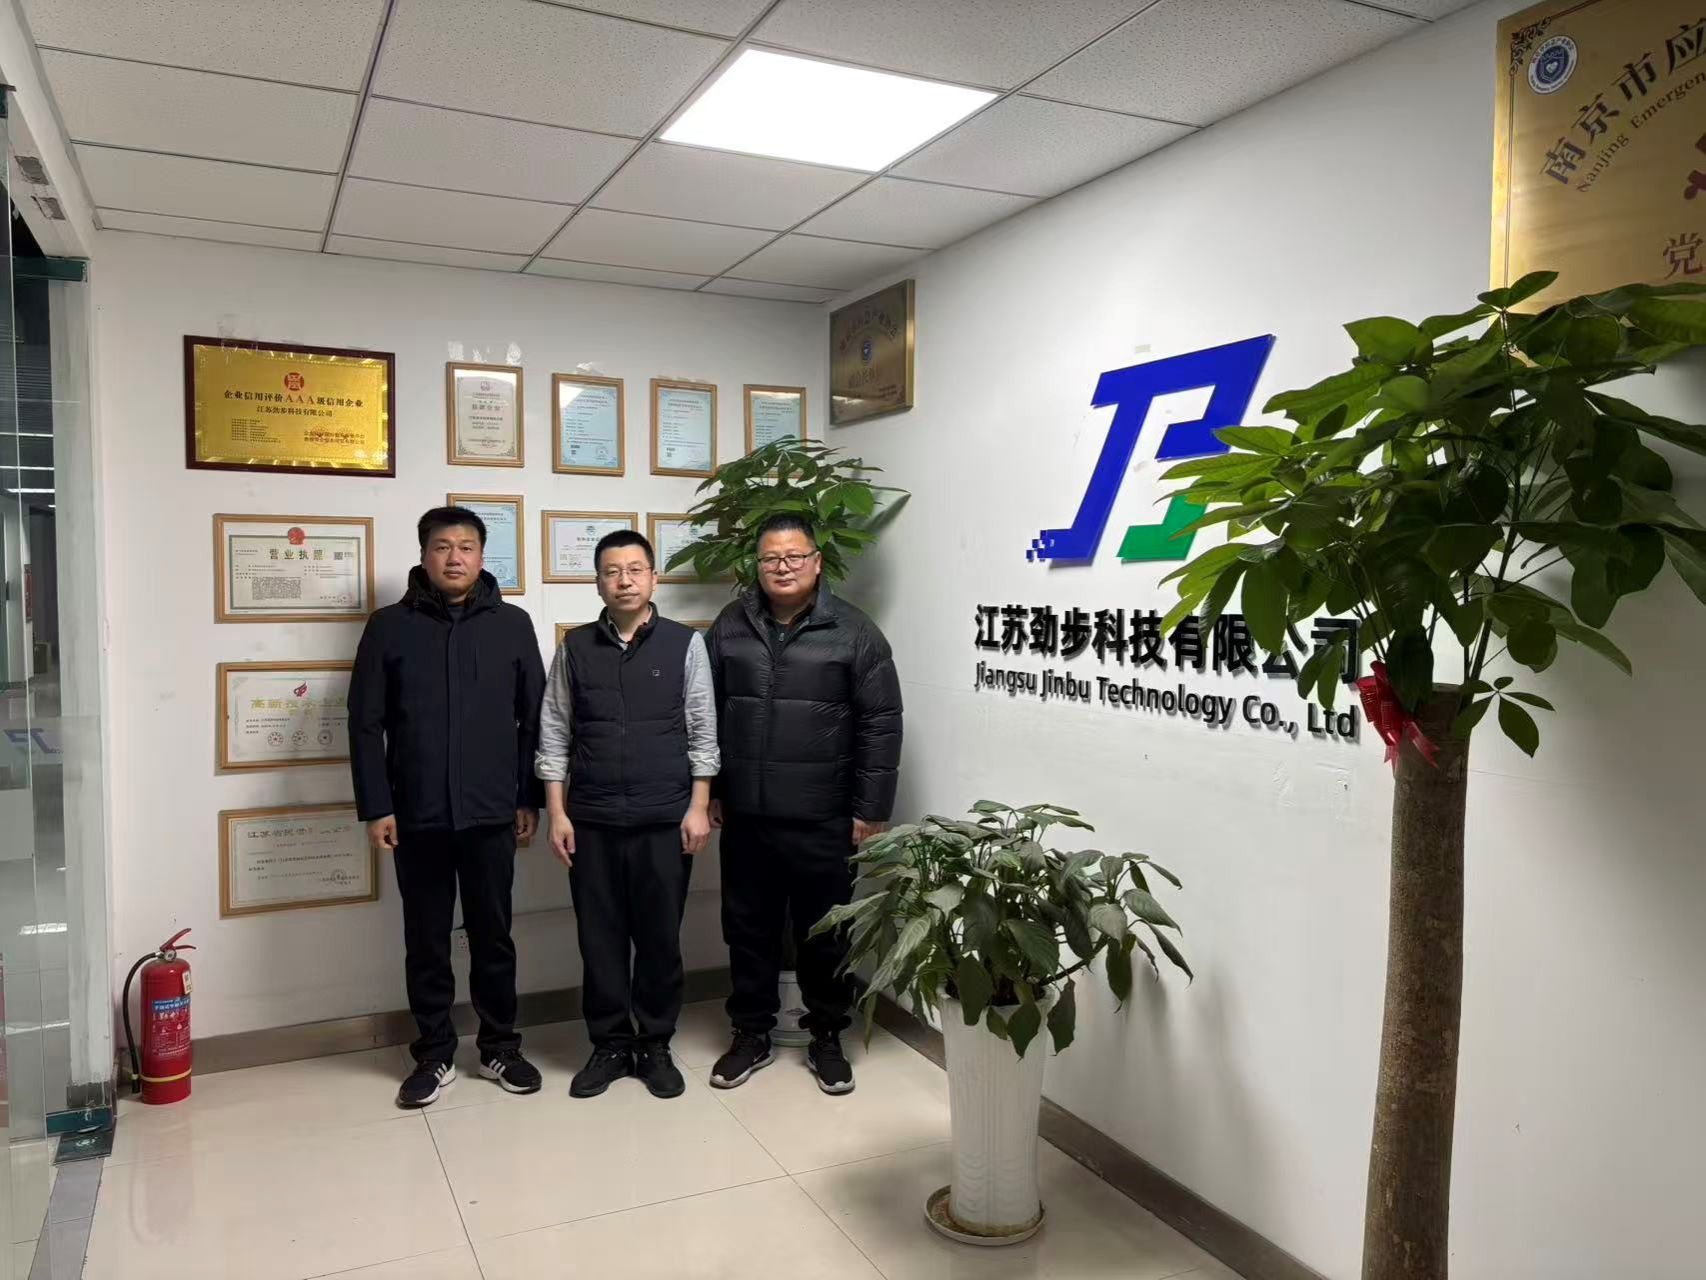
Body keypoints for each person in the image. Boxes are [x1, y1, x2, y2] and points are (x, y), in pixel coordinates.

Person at [348, 506, 546, 1109]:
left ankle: (500, 1046)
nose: (454, 557)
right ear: (424, 555)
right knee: (427, 938)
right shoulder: (389, 626)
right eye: (442, 546)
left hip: (492, 812)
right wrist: (377, 806)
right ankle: (434, 1052)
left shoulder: (512, 624)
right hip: (417, 814)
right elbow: (365, 722)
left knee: (494, 935)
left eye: (466, 546)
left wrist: (527, 796)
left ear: (482, 556)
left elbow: (534, 718)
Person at [704, 513, 903, 1096]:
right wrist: (712, 789)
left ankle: (827, 1036)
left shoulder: (855, 632)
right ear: (756, 566)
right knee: (747, 930)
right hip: (747, 815)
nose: (783, 567)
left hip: (825, 816)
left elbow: (881, 724)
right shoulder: (731, 624)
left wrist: (871, 809)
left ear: (817, 562)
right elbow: (705, 710)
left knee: (826, 933)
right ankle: (750, 1033)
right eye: (771, 558)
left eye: (794, 556)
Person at [535, 530, 718, 1100]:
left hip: (665, 819)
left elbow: (703, 729)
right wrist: (557, 814)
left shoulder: (686, 645)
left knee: (660, 940)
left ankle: (655, 1044)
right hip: (591, 821)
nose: (624, 580)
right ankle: (610, 1044)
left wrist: (699, 806)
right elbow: (554, 731)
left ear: (653, 578)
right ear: (597, 582)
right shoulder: (575, 648)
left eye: (635, 569)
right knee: (600, 940)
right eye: (612, 571)